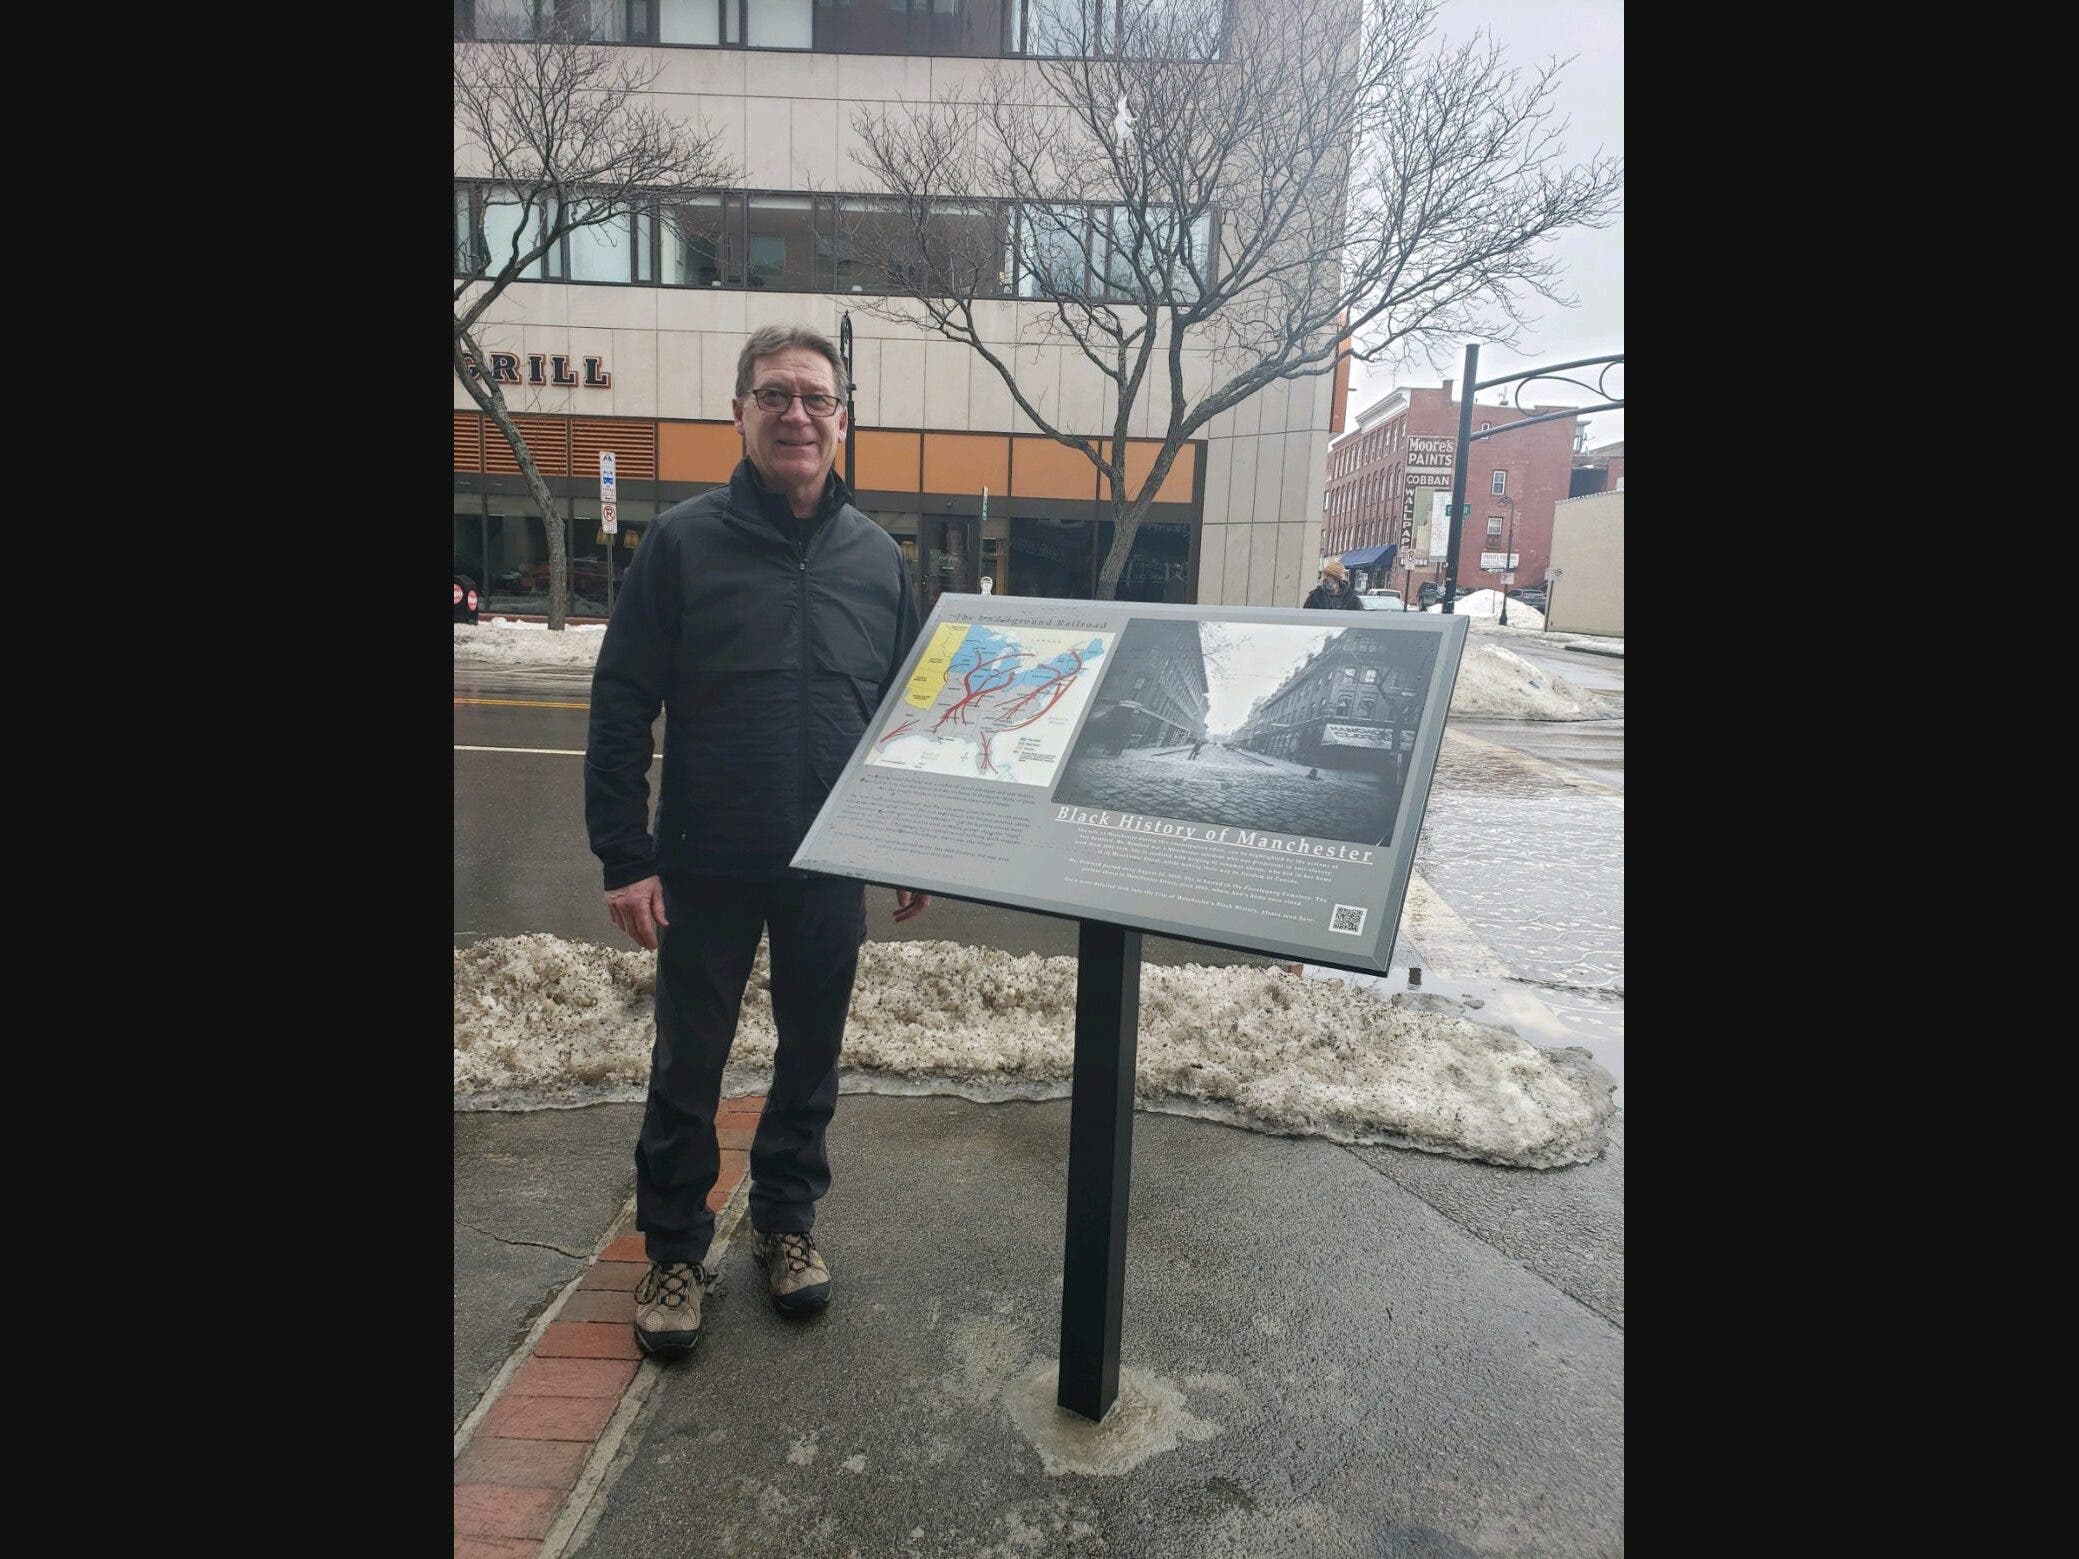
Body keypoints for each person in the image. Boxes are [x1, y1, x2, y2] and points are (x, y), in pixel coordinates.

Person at [585, 324, 931, 1359]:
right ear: (738, 412)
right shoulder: (681, 544)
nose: (796, 415)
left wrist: (912, 841)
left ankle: (786, 1221)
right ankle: (674, 1248)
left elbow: (908, 715)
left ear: (842, 419)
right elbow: (621, 701)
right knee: (689, 1062)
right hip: (705, 860)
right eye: (775, 394)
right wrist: (625, 855)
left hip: (829, 864)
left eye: (816, 398)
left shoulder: (878, 559)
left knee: (810, 1058)